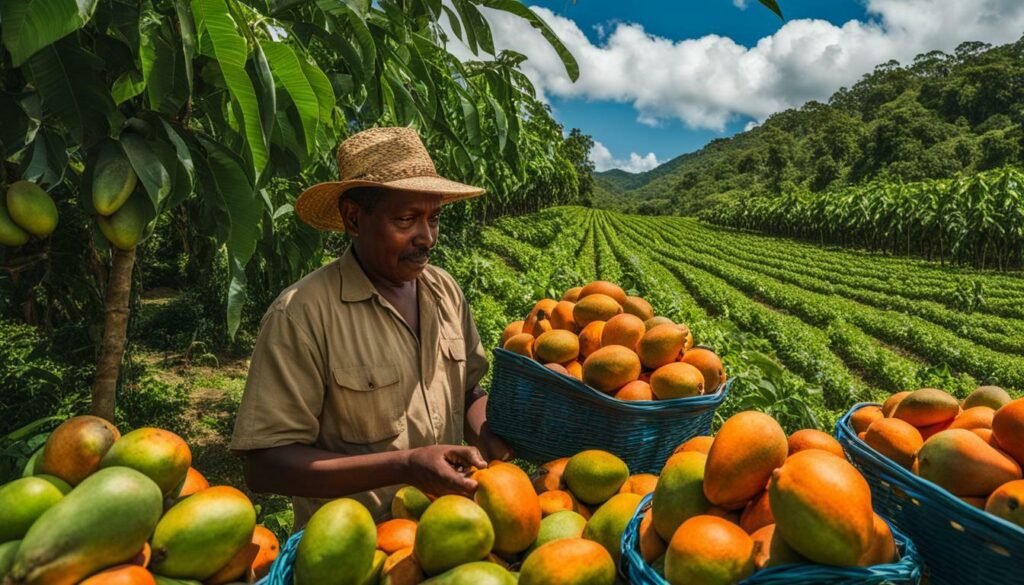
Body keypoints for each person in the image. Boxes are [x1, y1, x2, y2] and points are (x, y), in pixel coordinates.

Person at [229, 126, 511, 530]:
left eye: (434, 219)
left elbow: (467, 389)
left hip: (445, 534)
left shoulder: (444, 291)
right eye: (406, 219)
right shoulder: (302, 314)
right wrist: (404, 466)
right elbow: (266, 465)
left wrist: (489, 431)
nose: (426, 238)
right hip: (351, 548)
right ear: (354, 218)